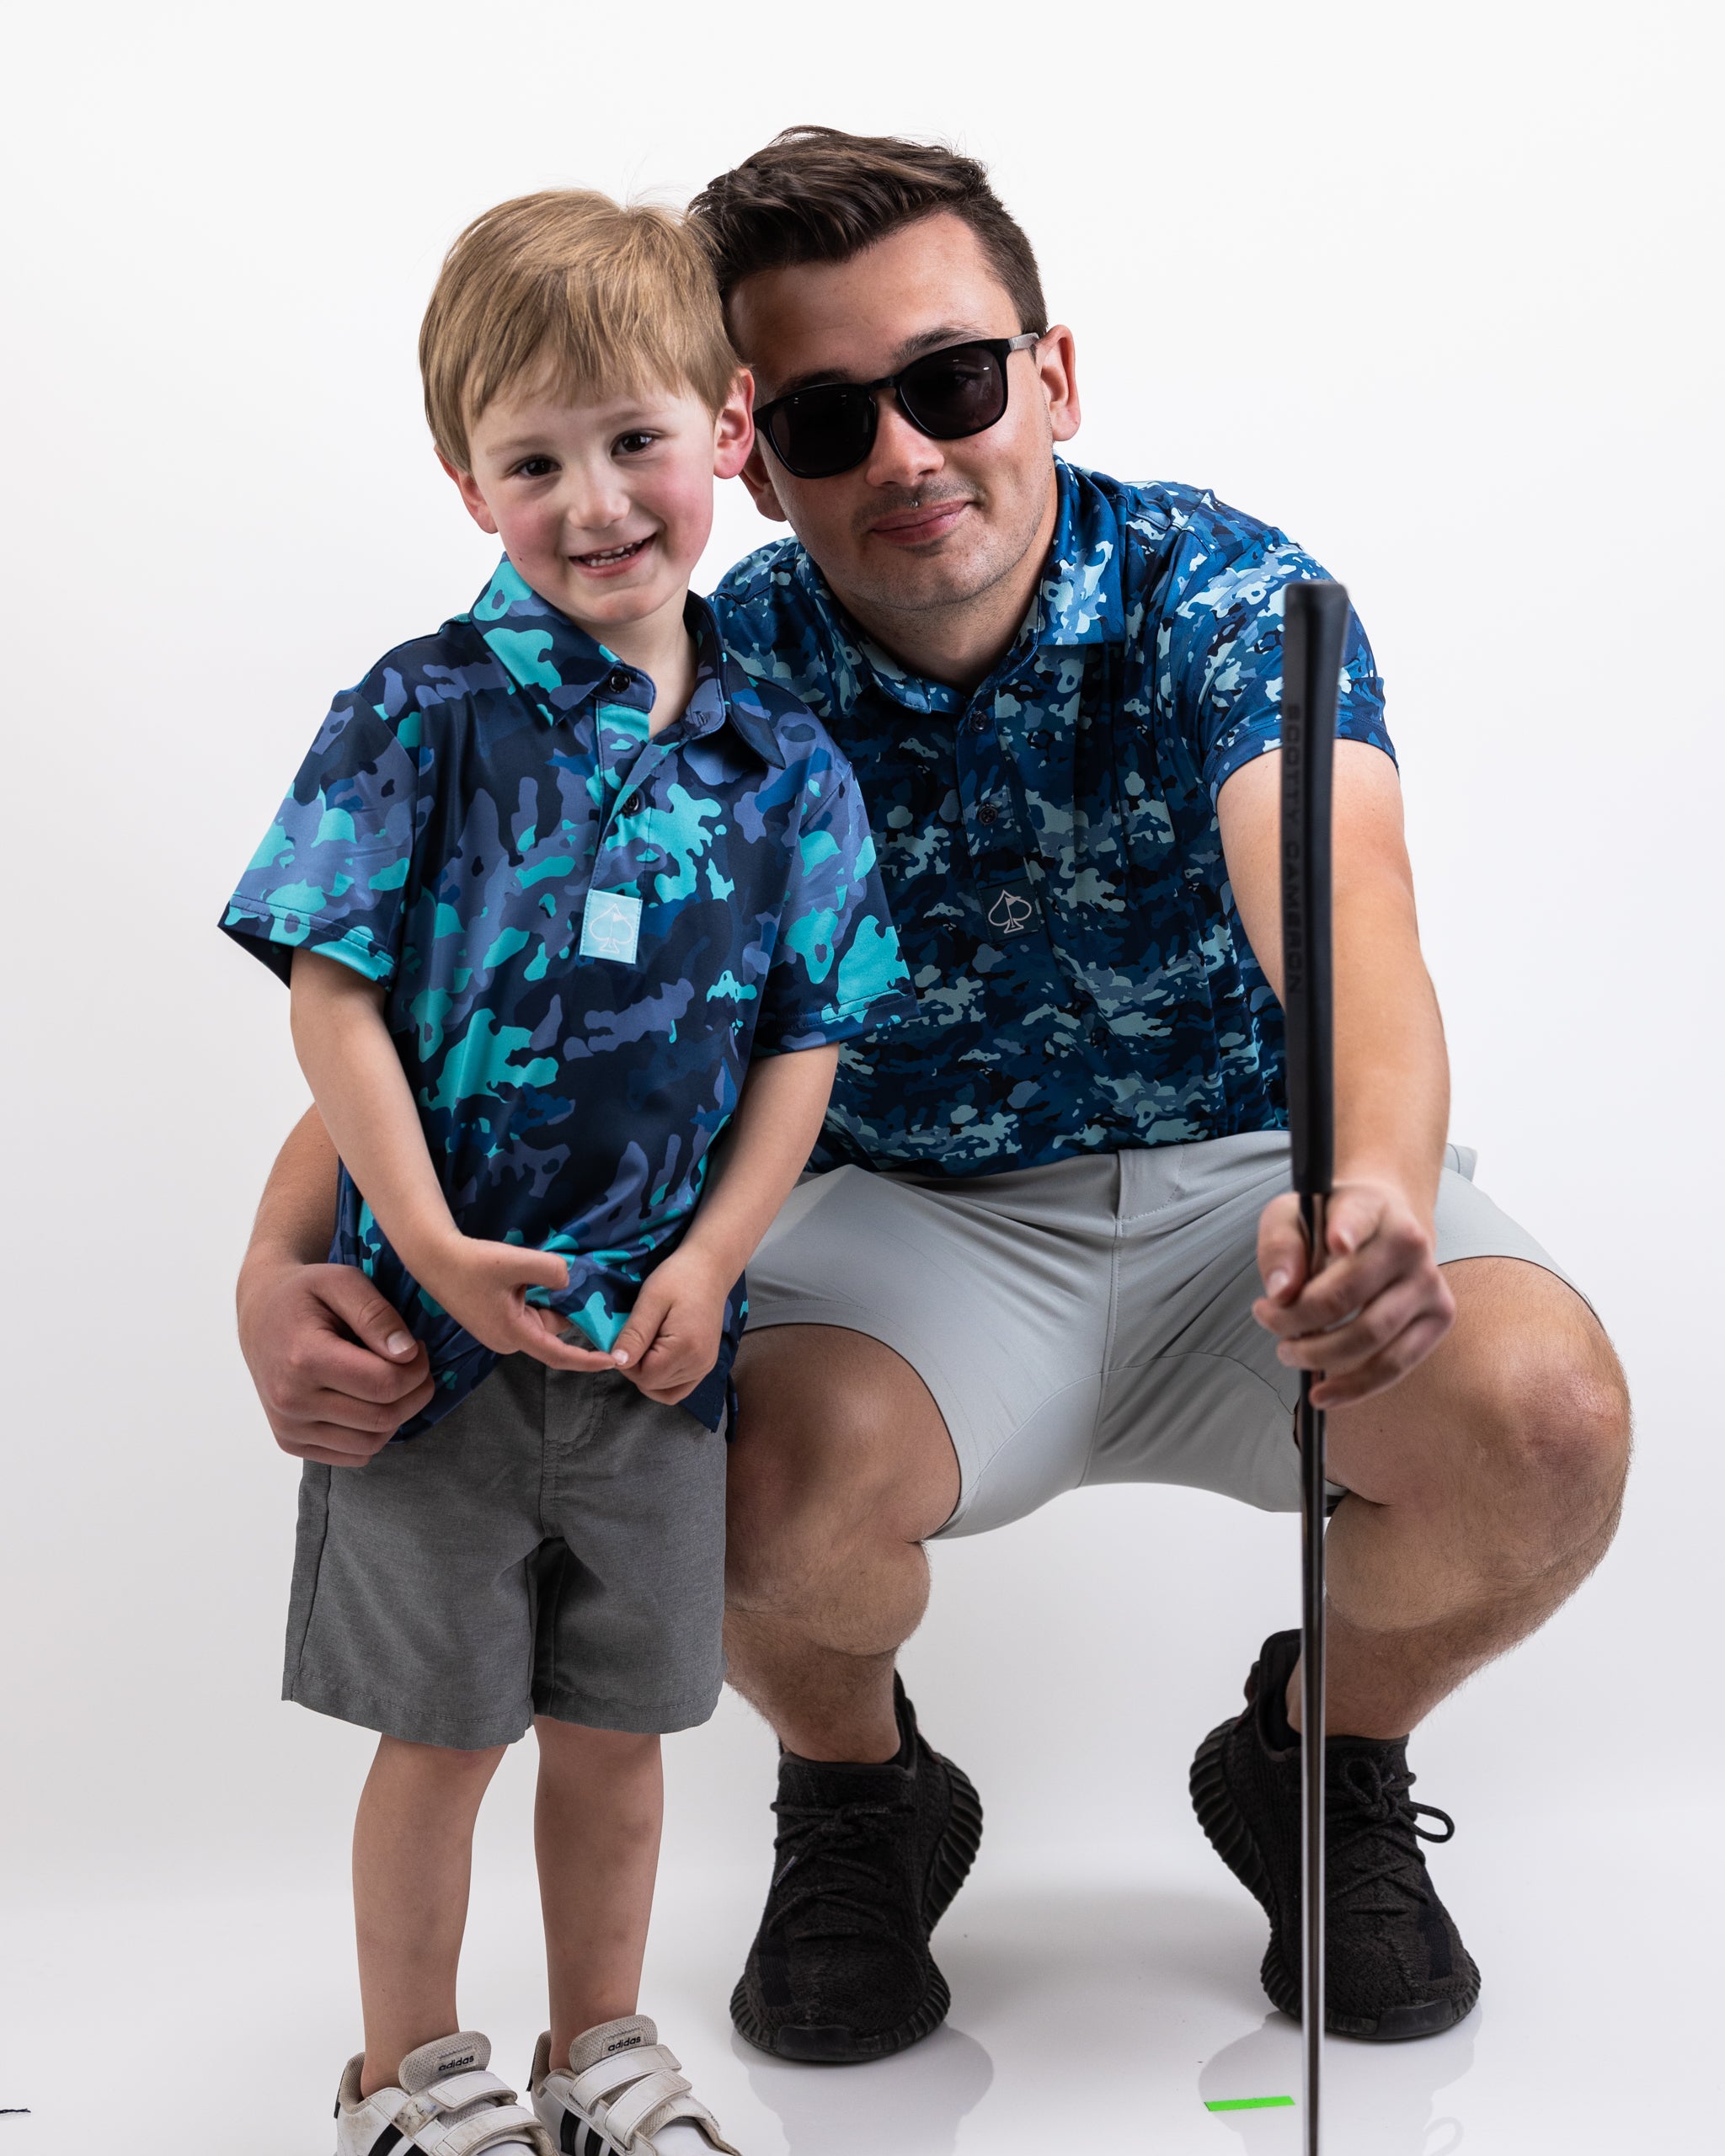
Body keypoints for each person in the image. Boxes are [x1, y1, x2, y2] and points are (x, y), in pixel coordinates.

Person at [236, 131, 1632, 2073]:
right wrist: (274, 1256)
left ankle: (1323, 1755)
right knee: (711, 1448)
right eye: (825, 416)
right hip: (914, 1231)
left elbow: (1348, 916)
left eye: (952, 382)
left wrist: (1377, 1184)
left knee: (1545, 1417)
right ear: (746, 444)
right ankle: (862, 1792)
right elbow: (497, 993)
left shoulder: (1224, 595)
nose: (901, 453)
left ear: (1050, 376)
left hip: (1257, 1182)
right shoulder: (711, 683)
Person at [220, 187, 912, 2154]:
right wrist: (423, 1239)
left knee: (614, 1741)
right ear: (469, 487)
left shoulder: (788, 766)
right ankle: (406, 2073)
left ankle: (598, 2047)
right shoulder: (418, 714)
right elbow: (331, 994)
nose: (597, 499)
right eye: (535, 460)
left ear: (726, 428)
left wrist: (716, 1256)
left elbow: (804, 1033)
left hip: (653, 1361)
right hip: (430, 1355)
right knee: (437, 1737)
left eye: (634, 440)